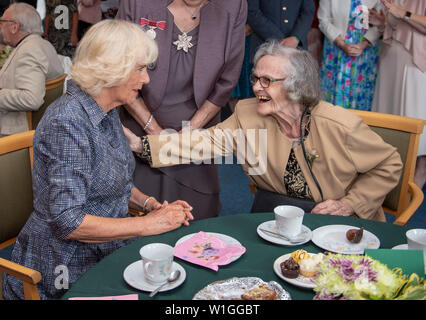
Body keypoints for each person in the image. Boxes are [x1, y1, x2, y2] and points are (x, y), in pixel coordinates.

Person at [2, 19, 193, 300]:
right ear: (110, 69)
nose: (146, 79)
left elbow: (114, 183)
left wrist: (150, 206)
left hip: (110, 249)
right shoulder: (67, 122)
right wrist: (147, 225)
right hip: (65, 266)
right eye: (139, 69)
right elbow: (67, 221)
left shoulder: (106, 109)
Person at [124, 40, 403, 222]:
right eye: (256, 78)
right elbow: (201, 142)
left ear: (298, 85)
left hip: (337, 224)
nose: (257, 87)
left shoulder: (338, 124)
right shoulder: (248, 114)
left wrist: (351, 203)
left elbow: (389, 164)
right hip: (278, 217)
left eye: (267, 80)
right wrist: (139, 145)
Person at [116, 0, 247, 220]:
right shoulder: (137, 3)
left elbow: (227, 81)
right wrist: (154, 130)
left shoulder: (234, 5)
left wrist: (188, 132)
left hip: (197, 135)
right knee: (140, 219)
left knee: (196, 222)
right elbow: (118, 69)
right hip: (138, 122)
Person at [370, 0, 426, 189]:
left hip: (415, 60)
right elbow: (396, 23)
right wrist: (383, 21)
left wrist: (403, 13)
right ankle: (393, 176)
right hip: (390, 56)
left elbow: (406, 17)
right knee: (390, 115)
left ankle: (419, 174)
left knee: (413, 113)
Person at [0, 2, 63, 137]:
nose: (0, 27)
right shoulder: (42, 44)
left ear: (14, 27)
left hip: (14, 132)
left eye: (2, 22)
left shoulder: (29, 50)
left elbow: (31, 99)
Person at [318, 0, 383, 111]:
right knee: (332, 102)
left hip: (365, 53)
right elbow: (323, 20)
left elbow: (382, 23)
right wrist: (341, 44)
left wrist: (364, 44)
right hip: (337, 49)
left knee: (361, 93)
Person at [247, 0, 315, 61]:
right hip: (265, 46)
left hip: (296, 47)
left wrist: (296, 37)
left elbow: (308, 12)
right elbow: (252, 12)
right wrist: (279, 39)